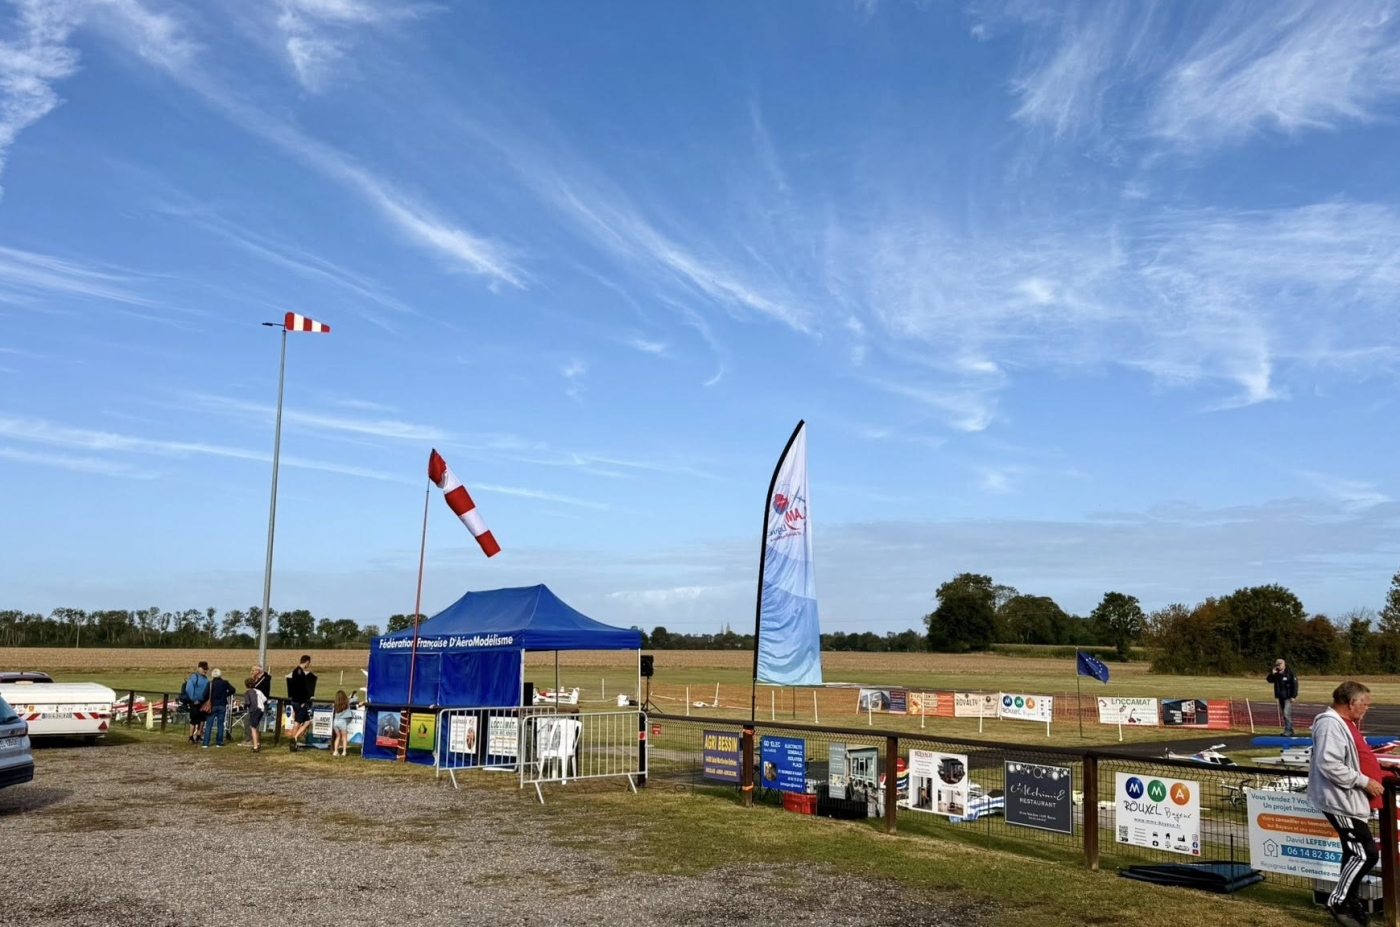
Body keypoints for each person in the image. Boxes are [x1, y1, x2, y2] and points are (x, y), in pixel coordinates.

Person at [1308, 681, 1386, 927]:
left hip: (1350, 800)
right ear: (1352, 702)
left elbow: (1355, 757)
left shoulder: (1345, 723)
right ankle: (1338, 901)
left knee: (1354, 853)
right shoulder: (1330, 724)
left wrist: (1379, 767)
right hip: (1341, 801)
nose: (1367, 708)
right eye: (1365, 704)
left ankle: (1351, 903)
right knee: (1366, 854)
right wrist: (1364, 781)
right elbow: (1329, 764)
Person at [286, 654, 316, 752]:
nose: (308, 665)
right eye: (309, 663)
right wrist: (304, 700)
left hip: (297, 700)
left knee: (307, 721)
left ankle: (295, 738)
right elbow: (300, 688)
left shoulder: (297, 671)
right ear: (307, 662)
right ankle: (293, 741)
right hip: (300, 701)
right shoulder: (299, 672)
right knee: (297, 722)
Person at [202, 669, 237, 748]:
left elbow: (204, 694)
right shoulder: (225, 683)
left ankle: (205, 743)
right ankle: (219, 742)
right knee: (220, 724)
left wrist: (207, 700)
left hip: (212, 705)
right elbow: (233, 690)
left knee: (209, 725)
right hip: (222, 705)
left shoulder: (210, 683)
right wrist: (226, 694)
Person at [1266, 658, 1300, 737]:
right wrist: (1272, 674)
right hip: (1280, 696)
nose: (1278, 667)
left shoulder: (1289, 672)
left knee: (1286, 713)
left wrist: (1293, 696)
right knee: (1284, 714)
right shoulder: (1277, 673)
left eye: (1279, 665)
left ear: (1283, 664)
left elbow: (1294, 684)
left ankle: (1288, 730)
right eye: (1276, 665)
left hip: (1288, 696)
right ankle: (1290, 729)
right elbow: (1269, 680)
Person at [180, 661, 210, 744]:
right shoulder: (194, 677)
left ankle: (199, 736)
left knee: (202, 719)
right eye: (203, 669)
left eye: (206, 669)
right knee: (194, 720)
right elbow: (189, 688)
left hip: (203, 702)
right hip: (195, 702)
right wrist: (194, 699)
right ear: (199, 668)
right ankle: (191, 737)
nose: (205, 671)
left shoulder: (206, 678)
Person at [244, 676, 266, 753]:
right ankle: (258, 743)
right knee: (256, 727)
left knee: (253, 728)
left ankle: (255, 746)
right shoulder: (259, 691)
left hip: (254, 710)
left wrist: (243, 705)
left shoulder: (247, 693)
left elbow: (248, 703)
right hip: (261, 710)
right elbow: (265, 699)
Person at [331, 690, 352, 757]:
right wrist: (350, 697)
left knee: (338, 737)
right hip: (342, 721)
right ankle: (344, 752)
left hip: (335, 721)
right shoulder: (347, 702)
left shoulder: (335, 704)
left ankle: (335, 751)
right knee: (344, 737)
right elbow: (355, 699)